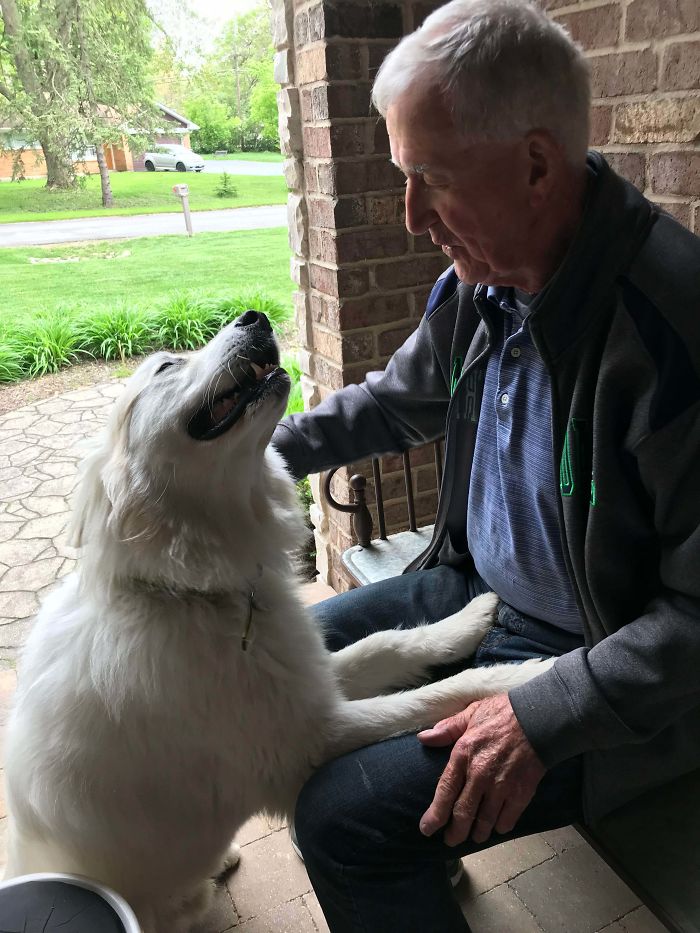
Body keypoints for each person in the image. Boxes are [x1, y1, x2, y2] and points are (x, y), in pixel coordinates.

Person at [270, 1, 700, 930]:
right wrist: (255, 454)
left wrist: (547, 713)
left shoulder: (671, 331)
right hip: (477, 593)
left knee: (340, 819)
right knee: (277, 671)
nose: (411, 217)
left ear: (537, 166)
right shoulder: (480, 284)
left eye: (429, 178)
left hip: (609, 678)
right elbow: (394, 401)